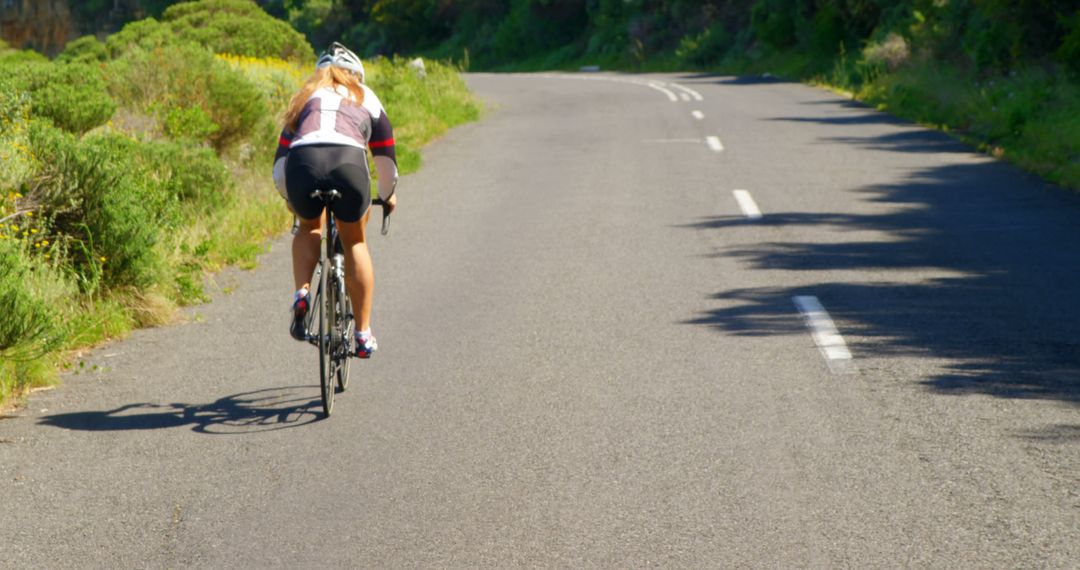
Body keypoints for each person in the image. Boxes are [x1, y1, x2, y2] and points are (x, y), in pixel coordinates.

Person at [272, 42, 397, 358]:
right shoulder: (365, 95)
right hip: (347, 163)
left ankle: (302, 293)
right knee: (355, 242)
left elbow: (279, 168)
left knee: (307, 228)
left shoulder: (303, 98)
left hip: (303, 164)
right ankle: (363, 334)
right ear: (356, 75)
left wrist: (292, 200)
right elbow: (386, 161)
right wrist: (387, 195)